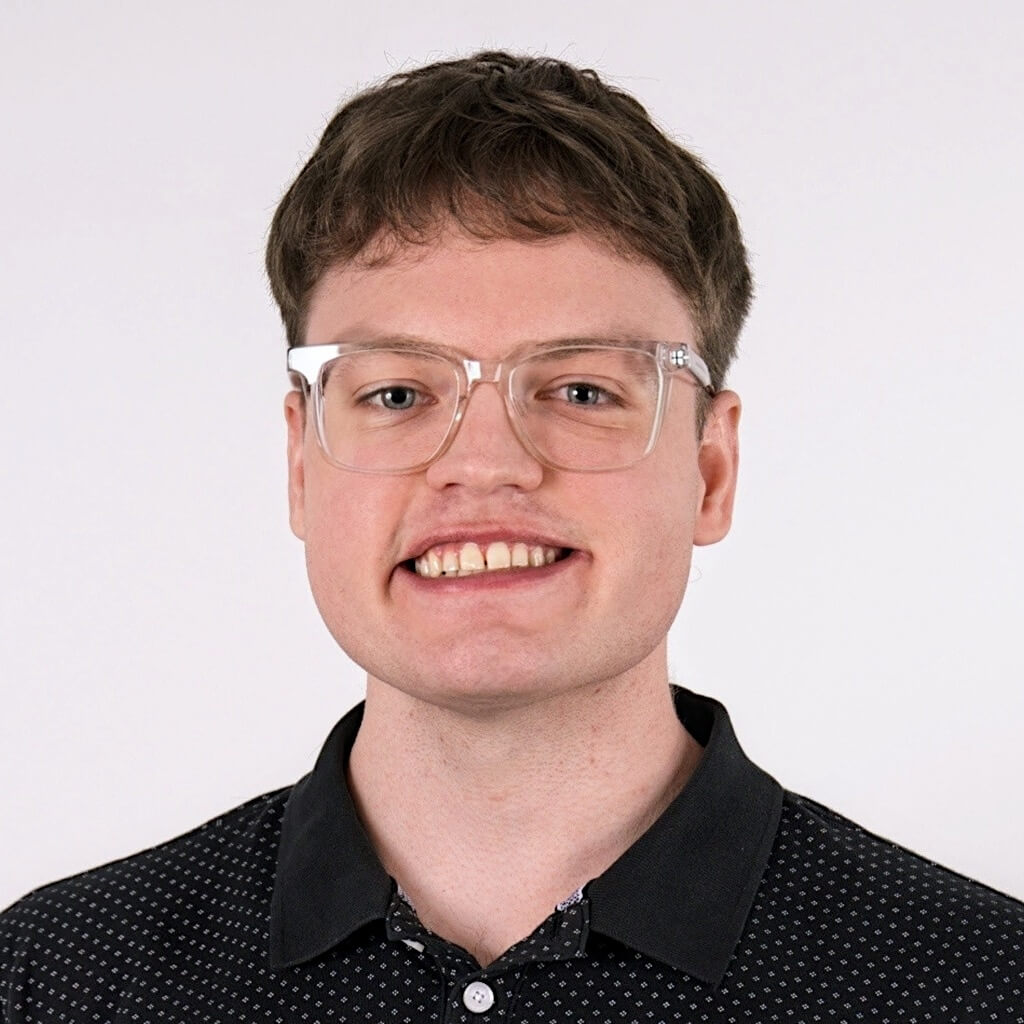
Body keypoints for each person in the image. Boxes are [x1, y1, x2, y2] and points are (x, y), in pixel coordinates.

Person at [2, 50, 1022, 1023]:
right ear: (301, 465)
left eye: (580, 391)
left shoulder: (978, 988)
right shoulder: (53, 980)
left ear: (710, 470)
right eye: (397, 393)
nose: (484, 463)